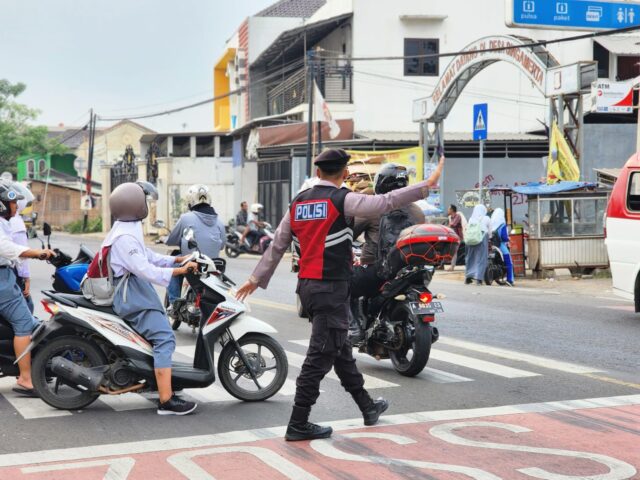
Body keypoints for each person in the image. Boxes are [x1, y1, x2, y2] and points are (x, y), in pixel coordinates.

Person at [235, 148, 444, 441]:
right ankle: (298, 423)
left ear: (318, 172)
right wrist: (426, 185)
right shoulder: (343, 200)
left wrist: (255, 279)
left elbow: (277, 245)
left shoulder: (297, 203)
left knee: (341, 351)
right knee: (318, 358)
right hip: (331, 288)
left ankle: (368, 407)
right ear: (343, 173)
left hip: (308, 288)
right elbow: (385, 201)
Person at [104, 181, 198, 415]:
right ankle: (166, 401)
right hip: (131, 294)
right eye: (144, 200)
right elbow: (145, 269)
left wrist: (177, 259)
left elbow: (148, 256)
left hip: (134, 290)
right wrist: (179, 271)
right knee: (165, 338)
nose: (147, 204)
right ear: (135, 205)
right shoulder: (124, 238)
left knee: (157, 336)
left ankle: (158, 380)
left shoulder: (125, 229)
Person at [350, 163, 426, 342]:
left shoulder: (372, 208)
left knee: (345, 284)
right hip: (412, 269)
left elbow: (350, 232)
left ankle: (354, 328)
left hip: (378, 269)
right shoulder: (417, 211)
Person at [0, 180, 55, 397]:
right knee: (24, 323)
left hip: (6, 276)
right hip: (2, 281)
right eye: (12, 202)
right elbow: (7, 248)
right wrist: (38, 253)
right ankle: (25, 378)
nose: (16, 206)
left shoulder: (5, 222)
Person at [166, 184, 225, 308]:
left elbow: (171, 240)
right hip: (213, 265)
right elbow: (222, 246)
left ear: (190, 201)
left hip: (192, 262)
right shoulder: (220, 221)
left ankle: (174, 302)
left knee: (171, 265)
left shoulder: (185, 218)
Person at [10, 183, 36, 313]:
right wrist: (26, 278)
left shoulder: (4, 219)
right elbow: (22, 253)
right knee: (26, 311)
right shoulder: (16, 221)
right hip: (11, 273)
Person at [464, 204, 490, 285]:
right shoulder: (486, 218)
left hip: (471, 239)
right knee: (481, 258)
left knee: (470, 257)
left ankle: (468, 277)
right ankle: (479, 279)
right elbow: (490, 231)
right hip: (482, 238)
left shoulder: (471, 218)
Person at [490, 207, 514, 286]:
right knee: (509, 261)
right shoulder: (502, 225)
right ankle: (510, 279)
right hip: (501, 246)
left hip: (493, 246)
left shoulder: (491, 224)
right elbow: (504, 237)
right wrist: (508, 238)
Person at [447, 204, 464, 271]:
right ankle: (442, 265)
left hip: (458, 237)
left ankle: (452, 266)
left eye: (449, 209)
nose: (448, 210)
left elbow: (452, 224)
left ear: (452, 210)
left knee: (454, 251)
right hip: (452, 237)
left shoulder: (457, 216)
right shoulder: (450, 217)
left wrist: (446, 227)